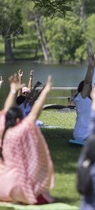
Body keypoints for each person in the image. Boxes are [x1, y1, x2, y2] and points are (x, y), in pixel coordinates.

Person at [0, 74, 54, 204]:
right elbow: (35, 112)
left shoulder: (1, 129)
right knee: (45, 196)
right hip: (16, 187)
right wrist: (45, 92)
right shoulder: (20, 130)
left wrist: (13, 90)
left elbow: (6, 110)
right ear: (19, 120)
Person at [73, 47, 95, 142]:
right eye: (89, 88)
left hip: (88, 133)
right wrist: (90, 66)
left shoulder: (86, 99)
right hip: (83, 134)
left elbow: (90, 83)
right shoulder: (81, 98)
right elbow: (88, 82)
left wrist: (94, 65)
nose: (91, 88)